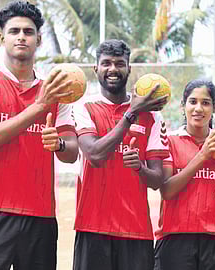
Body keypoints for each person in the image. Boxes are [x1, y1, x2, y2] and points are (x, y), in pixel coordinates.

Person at [0, 1, 79, 269]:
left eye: (28, 31)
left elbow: (72, 153)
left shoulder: (58, 89)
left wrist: (58, 143)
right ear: (2, 38)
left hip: (40, 216)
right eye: (14, 31)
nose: (21, 37)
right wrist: (39, 107)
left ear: (39, 40)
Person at [72, 39, 169, 270]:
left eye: (119, 63)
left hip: (136, 230)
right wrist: (131, 114)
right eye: (106, 63)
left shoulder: (153, 117)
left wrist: (140, 168)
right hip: (92, 227)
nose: (113, 69)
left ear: (129, 68)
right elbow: (94, 155)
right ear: (96, 68)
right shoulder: (84, 107)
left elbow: (157, 180)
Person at [154, 79, 215, 270]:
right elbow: (167, 191)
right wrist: (203, 155)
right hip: (176, 236)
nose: (198, 108)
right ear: (183, 105)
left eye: (205, 103)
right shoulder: (169, 141)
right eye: (193, 101)